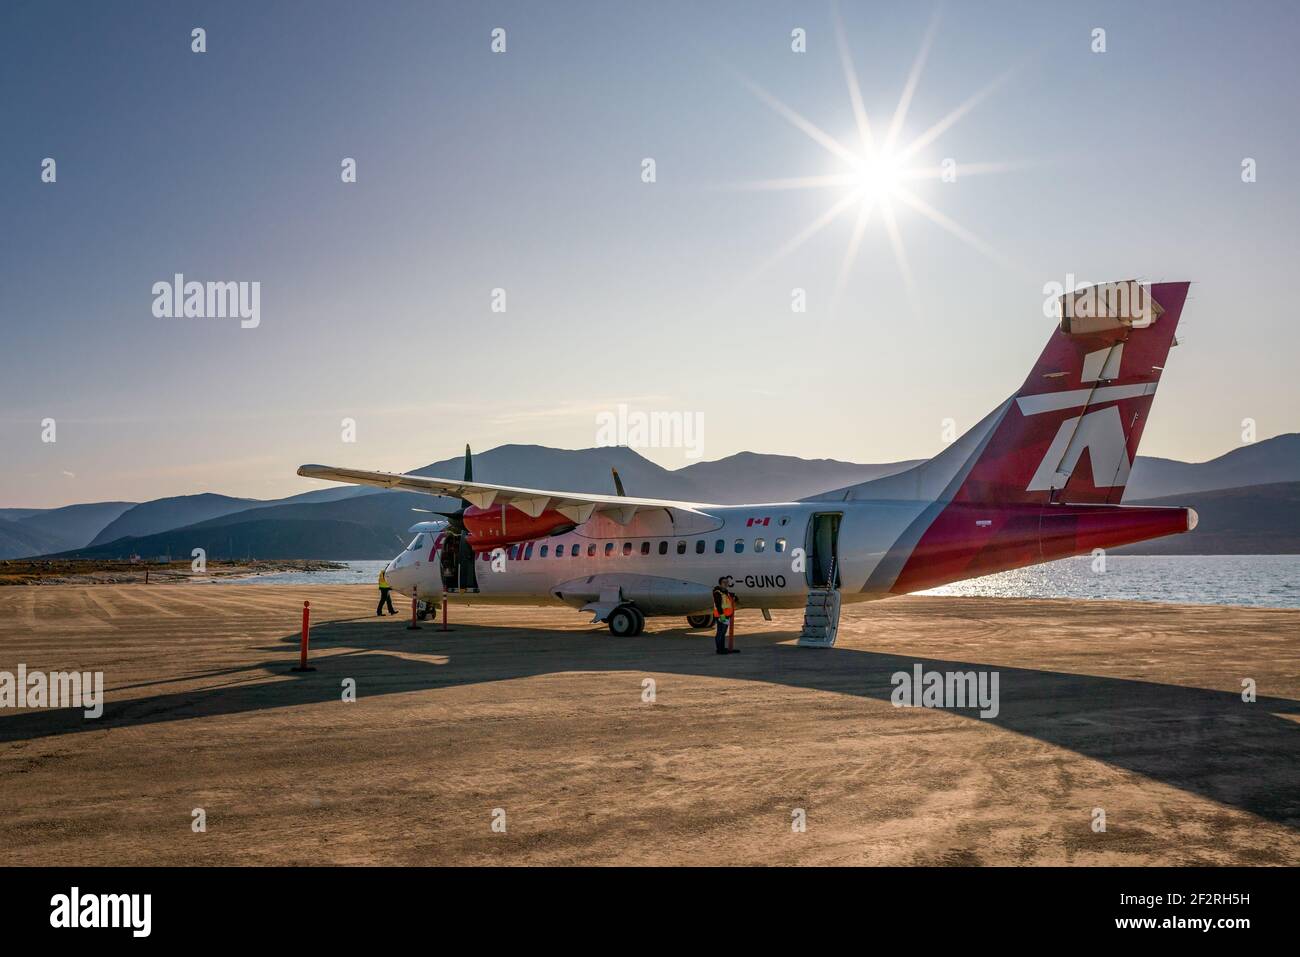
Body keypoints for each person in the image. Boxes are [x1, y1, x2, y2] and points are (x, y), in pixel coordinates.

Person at [711, 575, 739, 654]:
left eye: (727, 582)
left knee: (723, 632)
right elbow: (718, 605)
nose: (726, 584)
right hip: (721, 616)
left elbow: (730, 599)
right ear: (720, 584)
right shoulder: (717, 593)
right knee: (720, 632)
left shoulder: (726, 592)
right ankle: (719, 649)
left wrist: (735, 597)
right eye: (724, 582)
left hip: (726, 616)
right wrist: (721, 615)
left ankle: (722, 648)